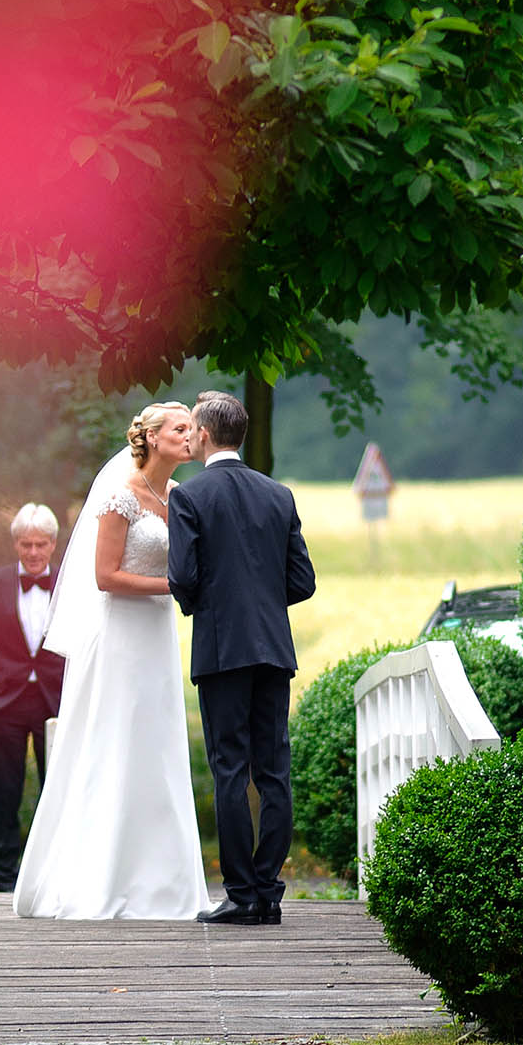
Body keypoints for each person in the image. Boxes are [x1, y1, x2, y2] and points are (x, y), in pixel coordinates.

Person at [12, 403, 209, 920]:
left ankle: (164, 884)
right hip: (120, 635)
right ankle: (100, 878)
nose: (190, 436)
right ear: (153, 438)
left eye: (192, 428)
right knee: (113, 743)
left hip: (157, 636)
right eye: (180, 428)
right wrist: (175, 586)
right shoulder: (121, 496)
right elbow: (105, 577)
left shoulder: (179, 498)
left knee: (158, 748)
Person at [167, 390, 316, 925]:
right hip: (274, 650)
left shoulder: (189, 496)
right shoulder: (279, 494)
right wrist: (262, 606)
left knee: (230, 768)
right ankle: (270, 893)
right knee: (273, 770)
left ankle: (240, 894)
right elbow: (303, 581)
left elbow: (182, 577)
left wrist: (206, 608)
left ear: (203, 435)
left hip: (222, 649)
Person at [0, 503, 66, 894]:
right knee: (5, 790)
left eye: (40, 544)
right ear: (15, 544)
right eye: (26, 544)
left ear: (53, 544)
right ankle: (4, 877)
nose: (34, 553)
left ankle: (51, 873)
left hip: (55, 703)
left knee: (55, 789)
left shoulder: (70, 586)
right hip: (3, 703)